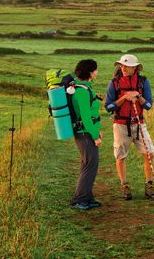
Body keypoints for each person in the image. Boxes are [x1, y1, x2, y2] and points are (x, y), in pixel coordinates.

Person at [104, 54, 154, 200]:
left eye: (126, 66)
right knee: (120, 156)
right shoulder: (114, 83)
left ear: (134, 68)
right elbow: (108, 107)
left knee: (149, 153)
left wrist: (138, 96)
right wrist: (124, 98)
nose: (123, 68)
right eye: (121, 65)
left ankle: (149, 185)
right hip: (120, 125)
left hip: (139, 124)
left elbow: (148, 105)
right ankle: (124, 186)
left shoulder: (143, 82)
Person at [69, 59, 103, 210]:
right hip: (85, 134)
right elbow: (86, 117)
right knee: (90, 165)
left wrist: (98, 129)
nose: (97, 72)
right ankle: (79, 199)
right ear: (90, 72)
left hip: (86, 132)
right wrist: (95, 136)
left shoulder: (85, 88)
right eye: (95, 70)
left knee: (88, 164)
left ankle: (87, 197)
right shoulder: (82, 91)